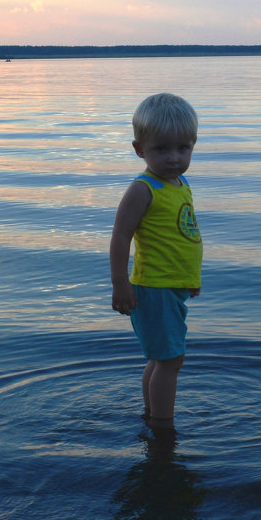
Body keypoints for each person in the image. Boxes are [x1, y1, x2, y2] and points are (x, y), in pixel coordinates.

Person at [110, 93, 202, 432]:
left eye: (183, 148)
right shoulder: (143, 188)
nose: (174, 158)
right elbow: (120, 236)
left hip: (170, 287)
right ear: (140, 150)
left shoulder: (180, 184)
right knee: (170, 359)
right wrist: (120, 283)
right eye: (161, 149)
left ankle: (152, 417)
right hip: (153, 287)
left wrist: (190, 278)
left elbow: (183, 236)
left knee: (162, 358)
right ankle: (164, 428)